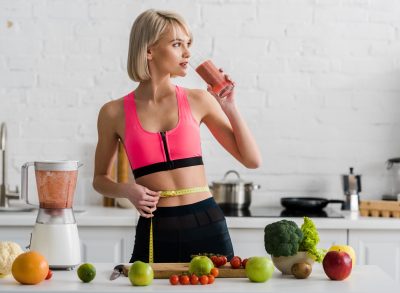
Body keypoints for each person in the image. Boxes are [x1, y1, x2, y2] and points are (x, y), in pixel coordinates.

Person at [92, 9, 261, 263]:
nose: (187, 53)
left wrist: (229, 106)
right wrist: (128, 190)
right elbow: (100, 180)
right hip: (156, 229)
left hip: (207, 224)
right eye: (176, 44)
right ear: (149, 50)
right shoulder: (113, 113)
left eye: (188, 44)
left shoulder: (199, 100)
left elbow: (252, 160)